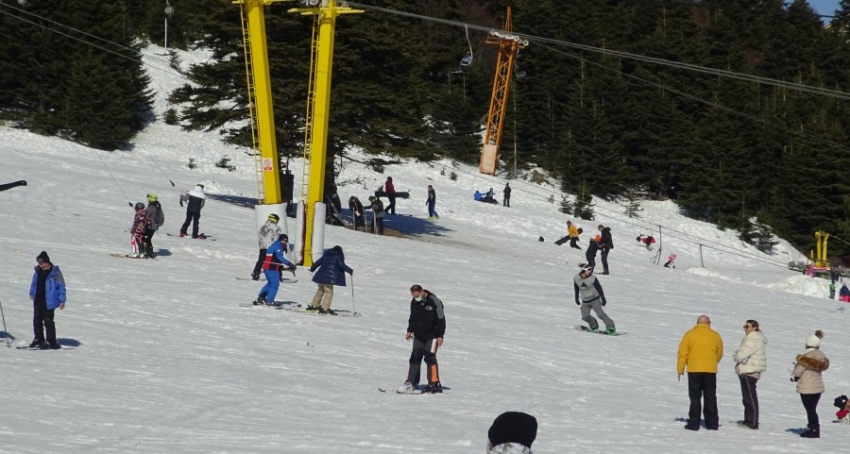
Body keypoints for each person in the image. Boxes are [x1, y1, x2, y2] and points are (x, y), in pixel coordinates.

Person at [677, 315, 723, 431]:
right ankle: (712, 424)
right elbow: (719, 353)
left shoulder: (689, 334)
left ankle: (693, 424)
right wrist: (713, 362)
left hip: (694, 370)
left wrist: (680, 368)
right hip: (710, 370)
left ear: (697, 323)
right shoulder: (715, 335)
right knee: (710, 397)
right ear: (709, 323)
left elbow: (683, 352)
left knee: (695, 397)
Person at [398, 285, 446, 394]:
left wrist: (440, 336)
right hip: (419, 335)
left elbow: (441, 319)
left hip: (433, 335)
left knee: (430, 357)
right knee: (415, 357)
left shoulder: (435, 301)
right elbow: (413, 318)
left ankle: (434, 383)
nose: (416, 298)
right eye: (414, 296)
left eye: (417, 296)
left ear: (422, 291)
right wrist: (410, 331)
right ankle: (411, 382)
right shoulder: (414, 302)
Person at [792, 330, 829, 438]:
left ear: (807, 344)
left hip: (807, 387)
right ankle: (812, 426)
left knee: (810, 409)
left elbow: (797, 372)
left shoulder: (806, 357)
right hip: (818, 388)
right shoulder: (821, 356)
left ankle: (814, 430)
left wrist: (795, 371)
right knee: (812, 408)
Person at [28, 251, 66, 350]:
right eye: (39, 263)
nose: (40, 265)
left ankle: (51, 341)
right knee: (37, 320)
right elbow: (34, 282)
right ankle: (39, 339)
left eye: (41, 263)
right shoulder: (37, 271)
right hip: (38, 299)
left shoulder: (55, 272)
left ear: (47, 262)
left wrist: (62, 300)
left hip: (49, 300)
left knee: (48, 321)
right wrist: (32, 292)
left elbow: (61, 286)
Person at [733, 320, 767, 430]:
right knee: (747, 397)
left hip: (749, 371)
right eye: (744, 326)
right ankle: (749, 420)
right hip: (750, 370)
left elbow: (740, 356)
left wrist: (736, 354)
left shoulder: (752, 339)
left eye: (747, 326)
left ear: (754, 328)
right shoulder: (755, 338)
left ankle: (752, 422)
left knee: (750, 398)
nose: (745, 329)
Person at [307, 245, 353, 315]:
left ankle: (314, 305)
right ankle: (324, 308)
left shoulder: (326, 254)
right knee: (329, 292)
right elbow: (341, 265)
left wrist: (313, 268)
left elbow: (318, 262)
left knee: (320, 290)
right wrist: (349, 270)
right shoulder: (338, 255)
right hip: (329, 278)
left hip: (320, 276)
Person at [255, 234, 296, 305]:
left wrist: (280, 266)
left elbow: (274, 258)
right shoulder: (278, 246)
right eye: (284, 240)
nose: (285, 242)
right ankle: (269, 300)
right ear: (281, 240)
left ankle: (261, 298)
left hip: (269, 267)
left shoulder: (275, 245)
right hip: (271, 267)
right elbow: (279, 257)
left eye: (286, 241)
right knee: (274, 284)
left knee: (270, 283)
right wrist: (289, 264)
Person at [573, 265, 615, 334]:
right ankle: (593, 325)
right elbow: (576, 288)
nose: (590, 271)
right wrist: (576, 298)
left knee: (600, 314)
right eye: (588, 270)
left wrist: (603, 298)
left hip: (595, 299)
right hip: (585, 301)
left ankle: (611, 327)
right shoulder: (576, 278)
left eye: (591, 270)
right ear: (583, 270)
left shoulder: (593, 278)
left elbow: (599, 288)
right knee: (585, 316)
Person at [252, 213, 282, 281]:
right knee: (276, 261)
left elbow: (260, 237)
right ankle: (278, 276)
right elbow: (279, 238)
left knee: (261, 260)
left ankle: (256, 273)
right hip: (272, 248)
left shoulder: (263, 227)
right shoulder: (277, 228)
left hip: (263, 247)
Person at [144, 194, 165, 258]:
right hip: (154, 226)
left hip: (151, 226)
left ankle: (149, 252)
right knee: (147, 238)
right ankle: (148, 251)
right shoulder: (157, 206)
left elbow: (145, 213)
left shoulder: (152, 207)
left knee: (146, 238)